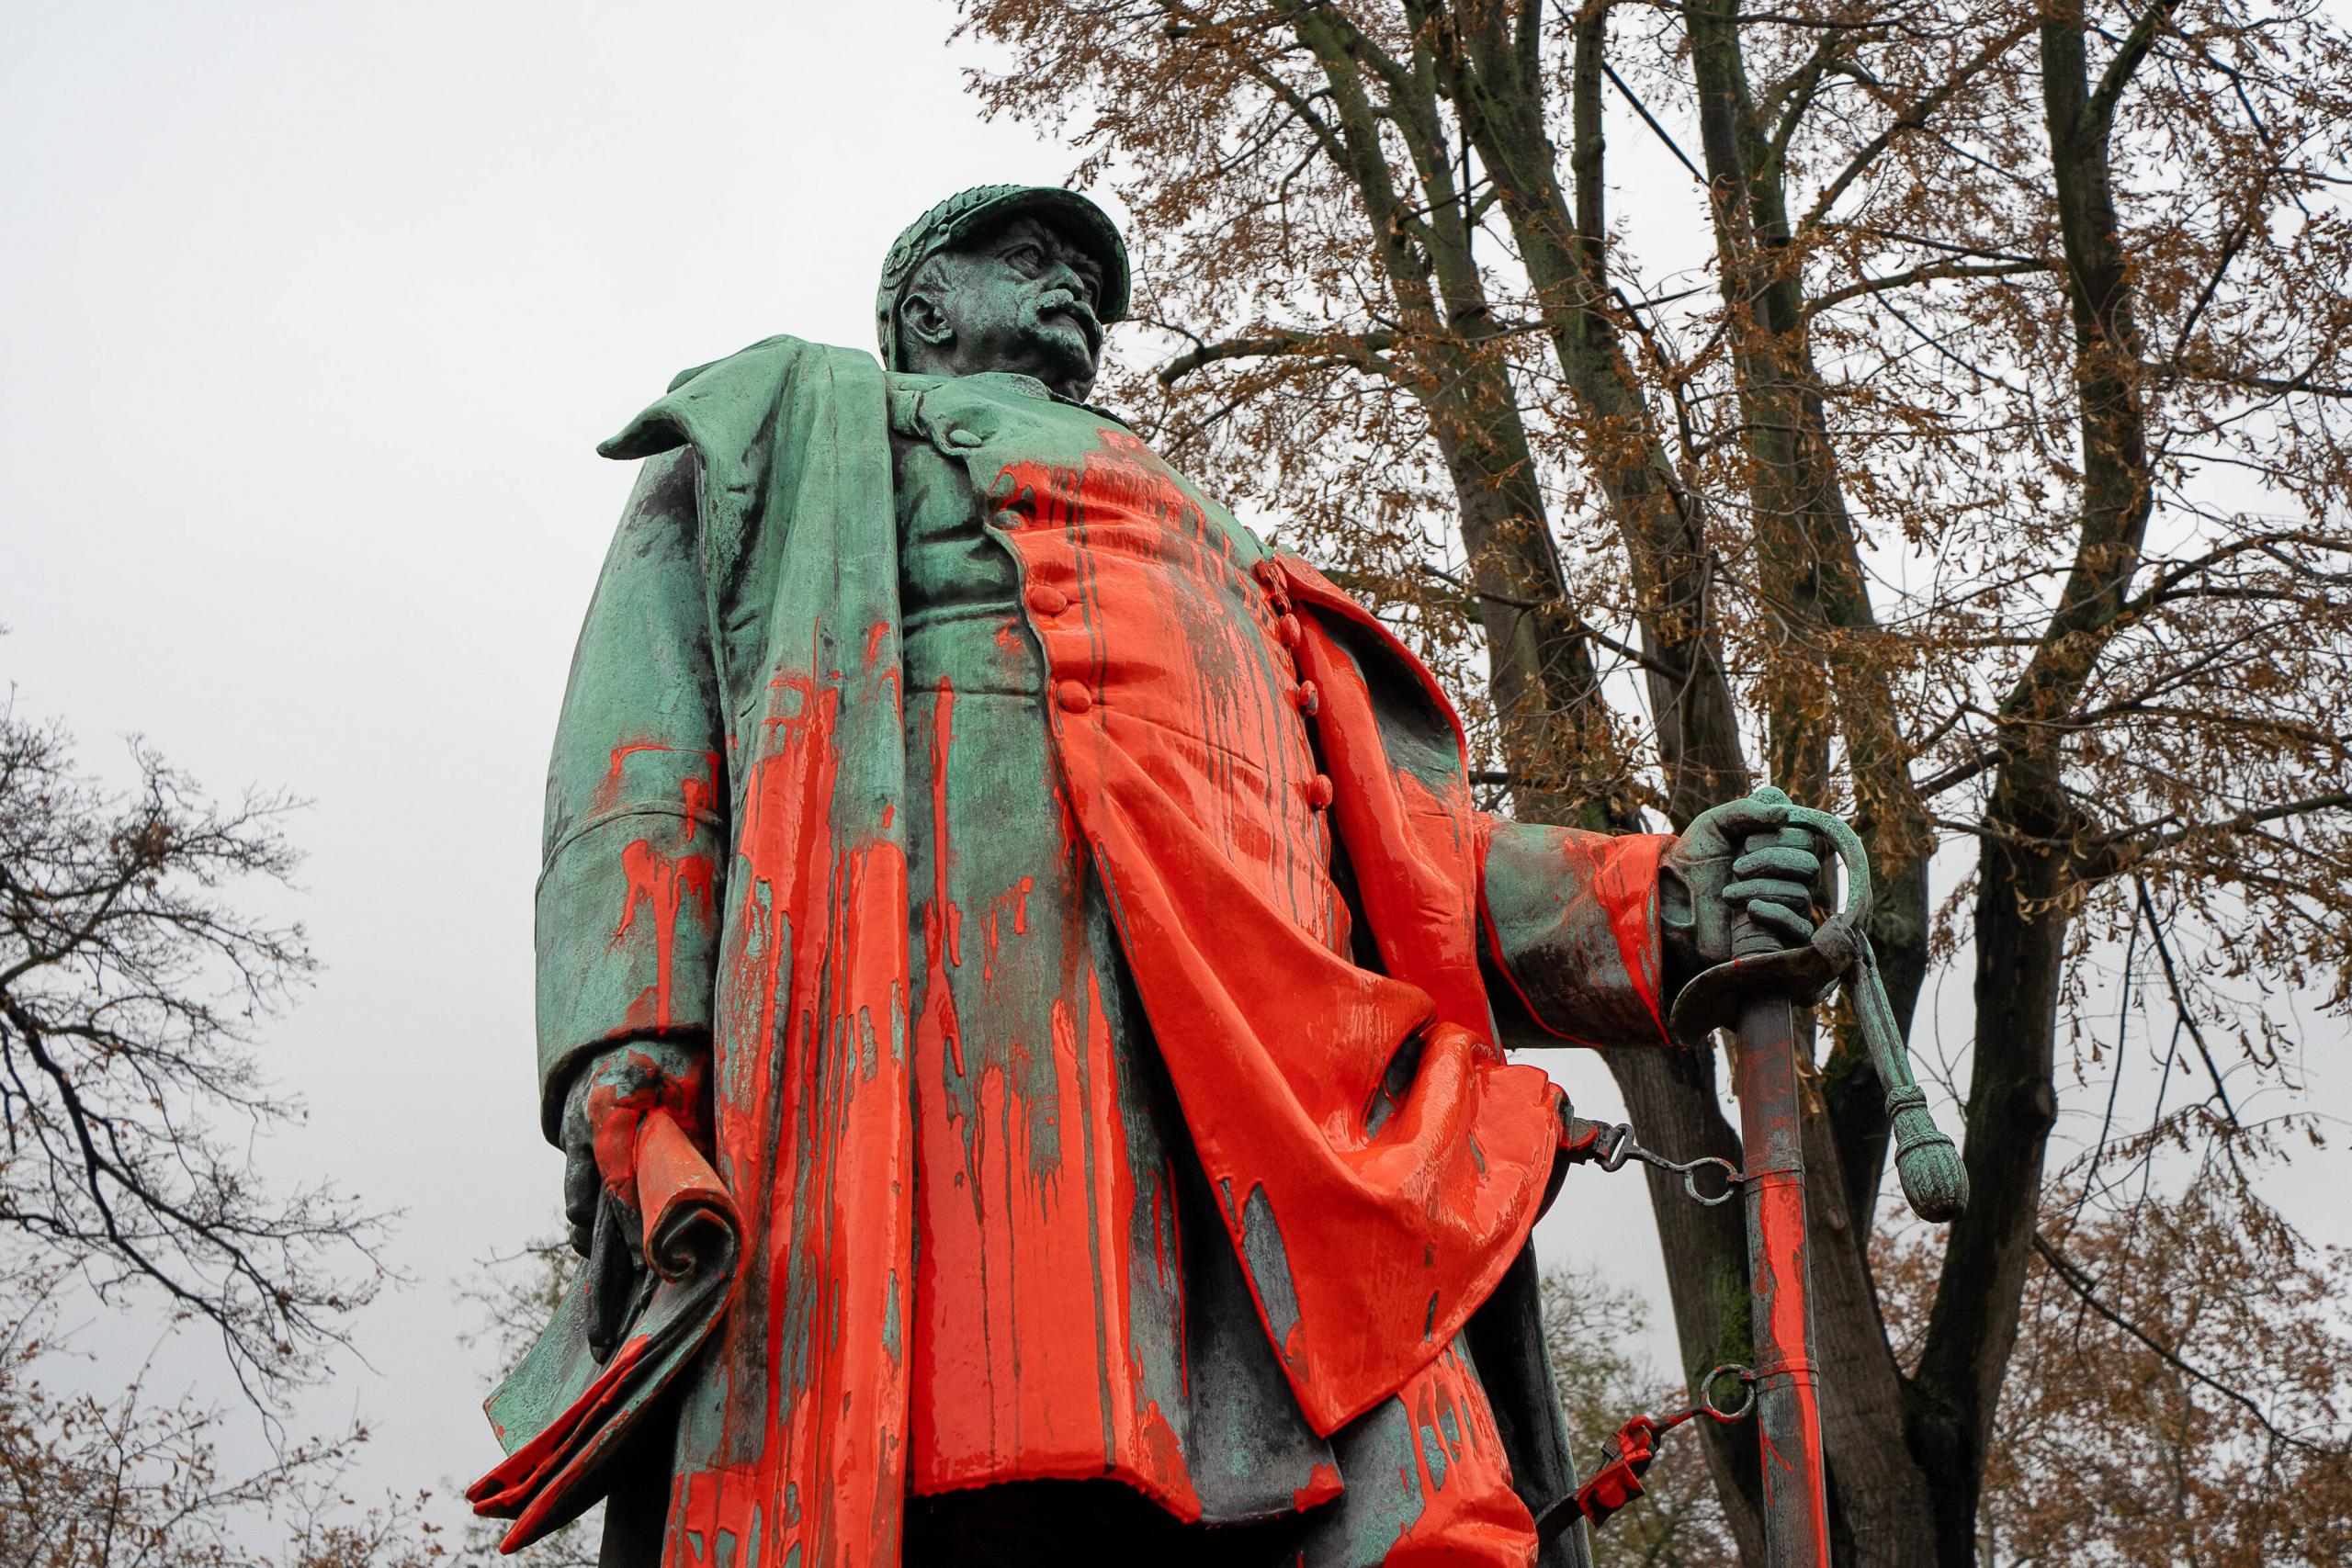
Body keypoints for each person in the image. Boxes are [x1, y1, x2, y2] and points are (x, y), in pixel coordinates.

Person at [527, 186, 1821, 1568]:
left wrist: (1665, 900)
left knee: (1398, 1500)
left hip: (1278, 1085)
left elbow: (1402, 863)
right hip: (959, 1014)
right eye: (1029, 260)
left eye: (1089, 277)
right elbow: (641, 756)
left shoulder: (1240, 561)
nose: (1076, 290)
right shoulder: (784, 432)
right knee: (1000, 1451)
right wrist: (633, 1028)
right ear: (922, 308)